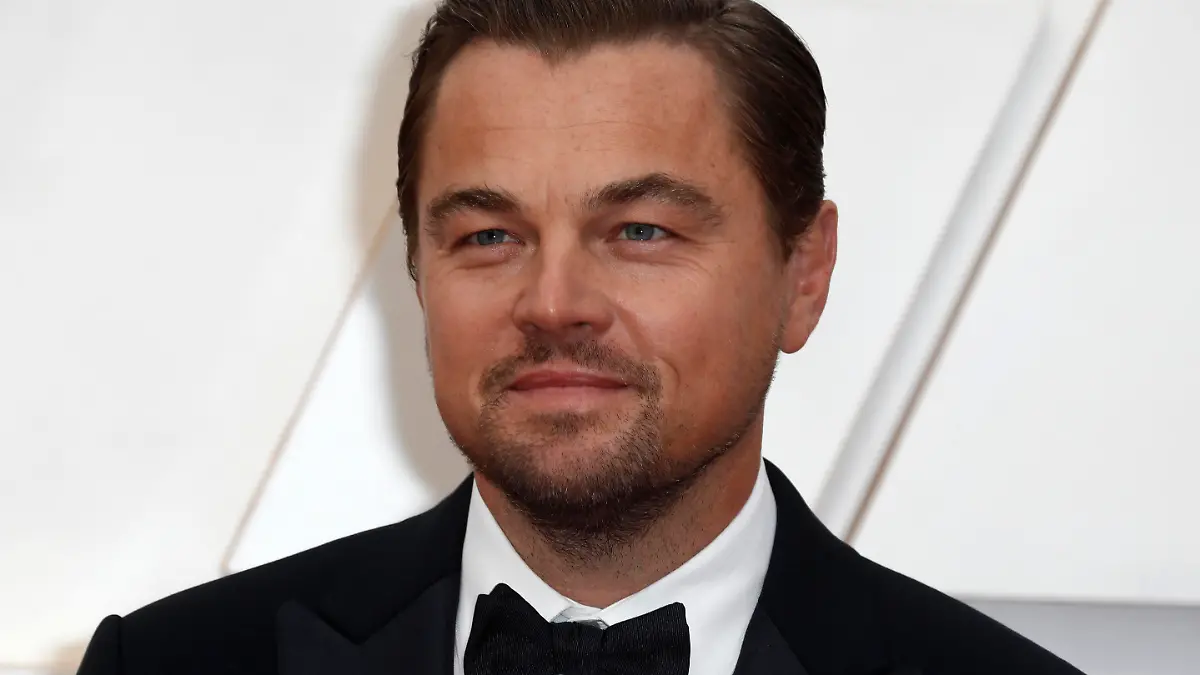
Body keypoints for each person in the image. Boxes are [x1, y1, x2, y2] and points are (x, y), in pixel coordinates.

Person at [77, 1, 1086, 673]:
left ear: (804, 275)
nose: (554, 301)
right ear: (420, 270)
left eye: (641, 231)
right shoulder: (174, 666)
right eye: (489, 235)